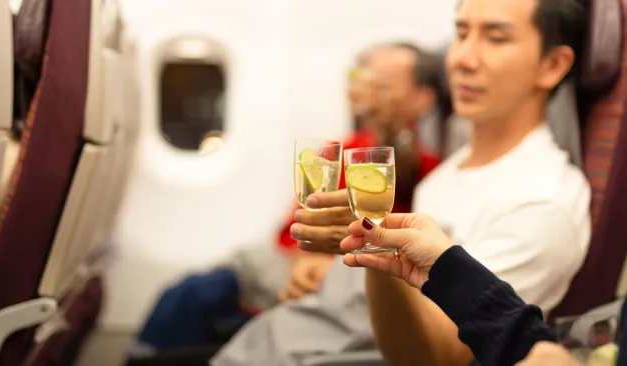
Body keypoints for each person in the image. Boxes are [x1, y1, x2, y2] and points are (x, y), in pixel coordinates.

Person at [291, 0, 591, 364]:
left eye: (495, 38)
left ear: (552, 65)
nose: (462, 58)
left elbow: (439, 353)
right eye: (461, 33)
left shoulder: (542, 204)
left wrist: (371, 248)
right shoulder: (450, 171)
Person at [210, 42, 442, 366]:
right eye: (363, 78)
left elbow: (402, 194)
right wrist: (303, 261)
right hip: (301, 265)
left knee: (208, 293)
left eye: (385, 83)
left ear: (422, 98)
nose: (370, 90)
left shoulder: (428, 170)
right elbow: (292, 228)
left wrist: (392, 131)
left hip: (357, 276)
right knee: (203, 289)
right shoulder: (336, 151)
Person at [338, 213, 598, 366]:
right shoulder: (439, 179)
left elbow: (440, 354)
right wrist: (445, 267)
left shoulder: (545, 208)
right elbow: (526, 345)